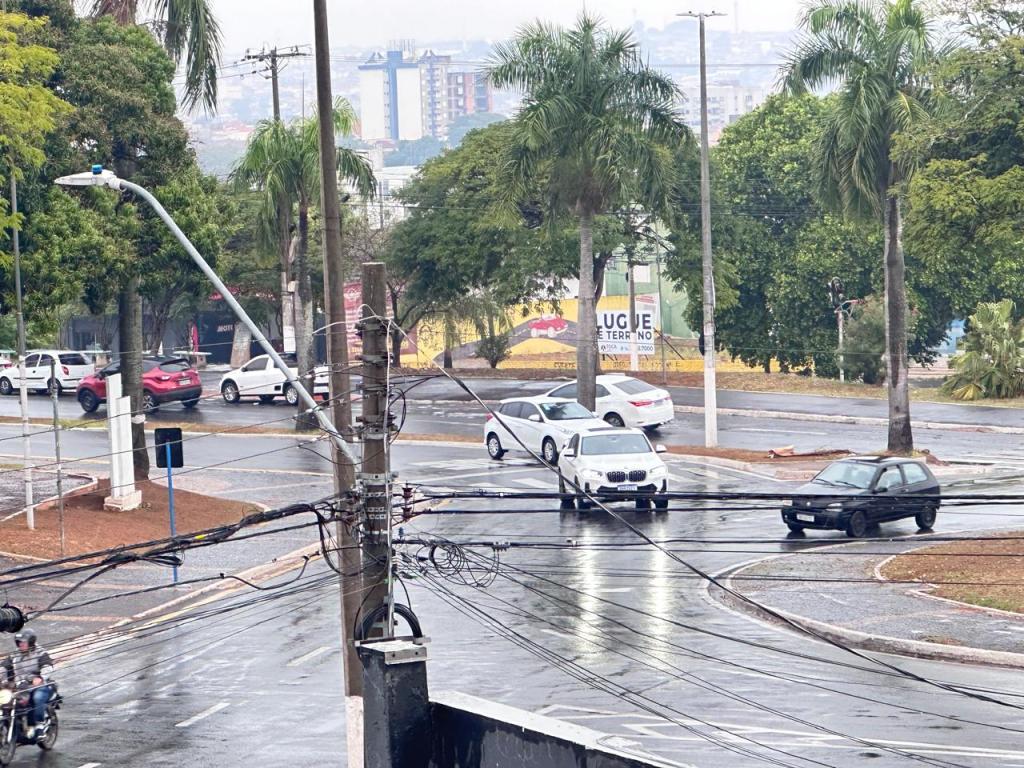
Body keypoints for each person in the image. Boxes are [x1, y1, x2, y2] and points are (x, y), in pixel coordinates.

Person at [2, 628, 54, 739]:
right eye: (19, 642)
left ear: (31, 642)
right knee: (5, 699)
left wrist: (40, 678)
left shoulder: (40, 653)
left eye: (23, 642)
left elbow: (47, 666)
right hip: (20, 686)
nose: (21, 645)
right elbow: (4, 666)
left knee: (37, 697)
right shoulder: (15, 655)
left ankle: (40, 727)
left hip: (38, 685)